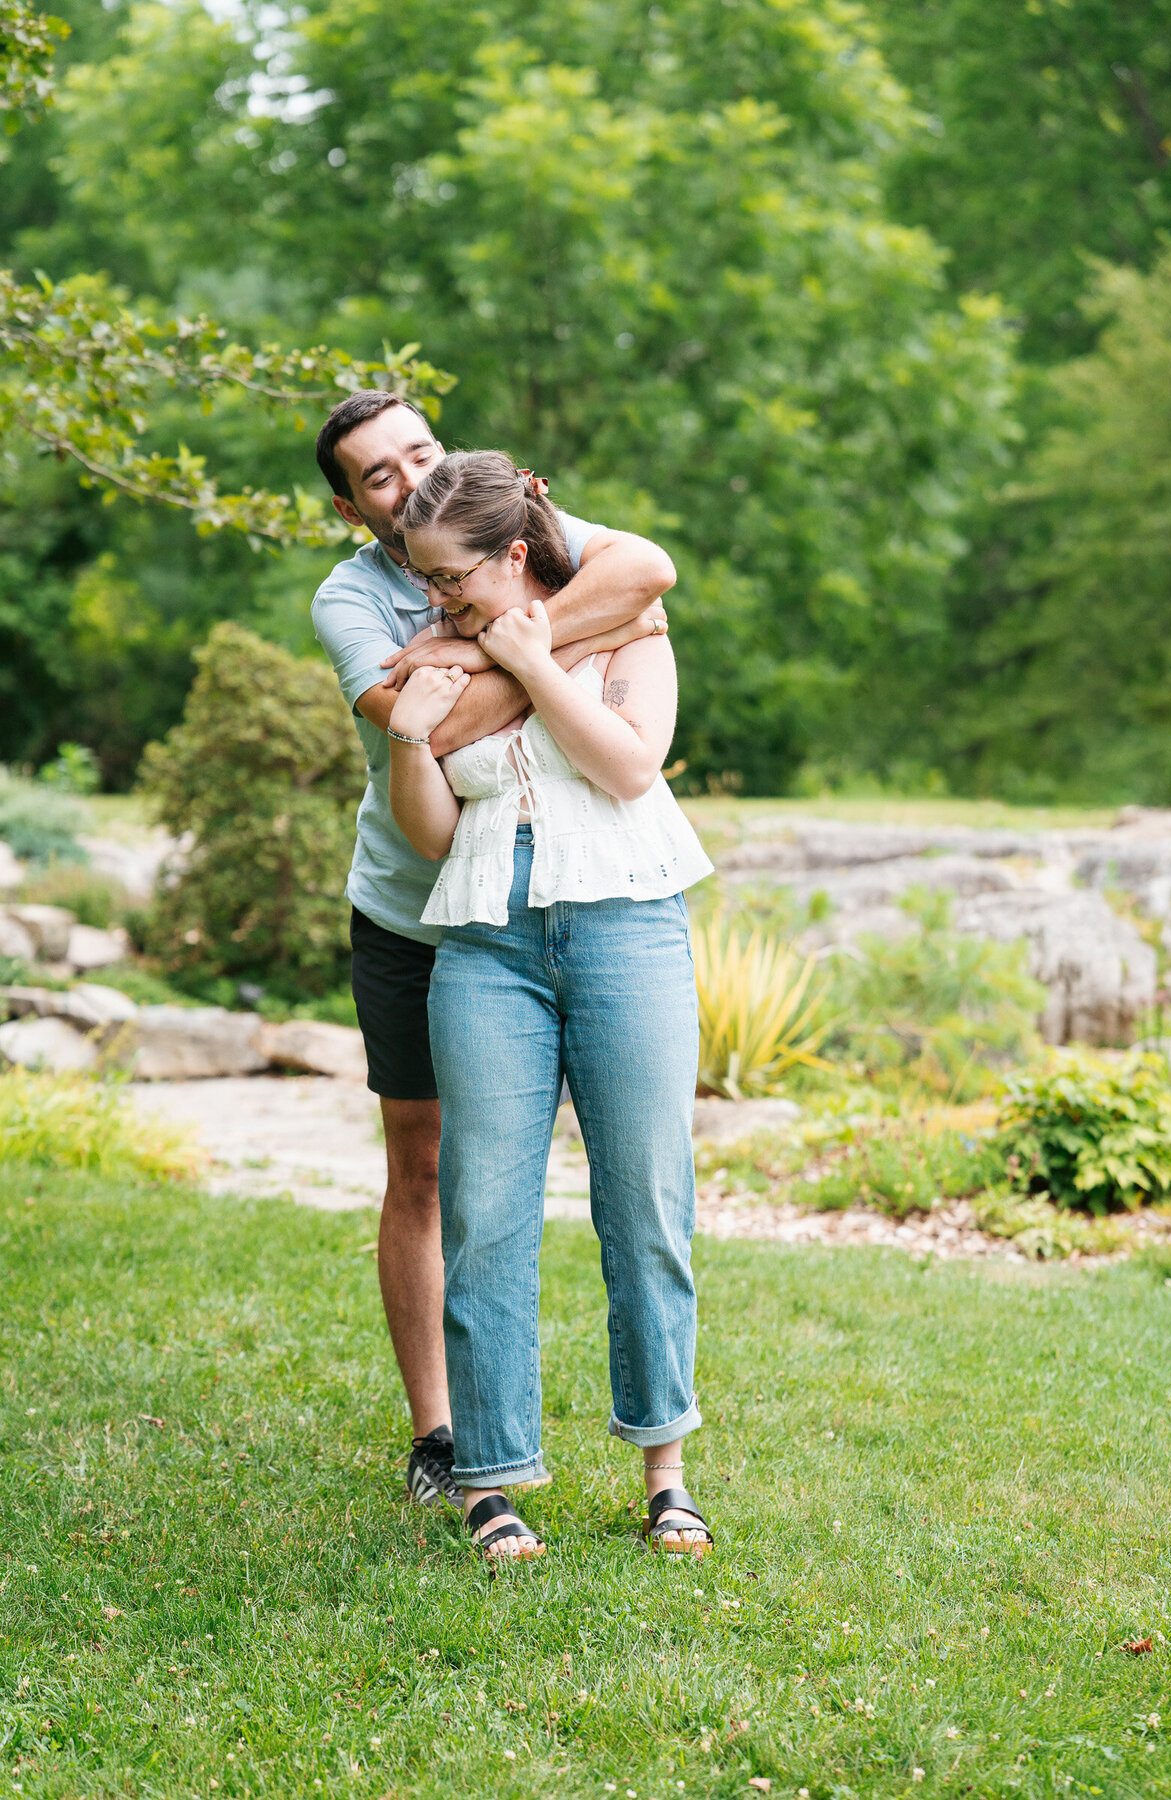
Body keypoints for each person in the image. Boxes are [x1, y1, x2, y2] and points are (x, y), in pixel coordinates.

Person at [311, 391, 675, 1512]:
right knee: (431, 1174)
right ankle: (444, 1434)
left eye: (418, 450)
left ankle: (655, 1457)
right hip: (418, 909)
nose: (407, 477)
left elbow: (648, 571)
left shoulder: (505, 525)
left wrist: (483, 649)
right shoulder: (349, 597)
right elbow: (425, 733)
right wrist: (549, 641)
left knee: (629, 1189)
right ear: (350, 505)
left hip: (571, 900)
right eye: (377, 474)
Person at [385, 450, 715, 1562]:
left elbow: (629, 769)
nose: (437, 598)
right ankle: (491, 1481)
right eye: (425, 579)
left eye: (451, 576)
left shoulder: (629, 630)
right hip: (487, 935)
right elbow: (432, 832)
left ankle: (665, 1472)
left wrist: (533, 656)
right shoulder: (439, 654)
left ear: (515, 552)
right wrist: (410, 734)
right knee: (484, 1212)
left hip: (628, 921)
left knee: (646, 1203)